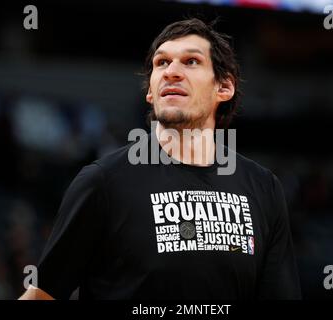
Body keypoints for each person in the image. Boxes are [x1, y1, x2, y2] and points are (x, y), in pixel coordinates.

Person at [19, 18, 301, 300]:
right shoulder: (104, 182)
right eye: (162, 63)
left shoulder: (264, 189)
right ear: (151, 92)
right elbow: (42, 296)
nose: (172, 72)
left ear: (224, 87)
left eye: (191, 62)